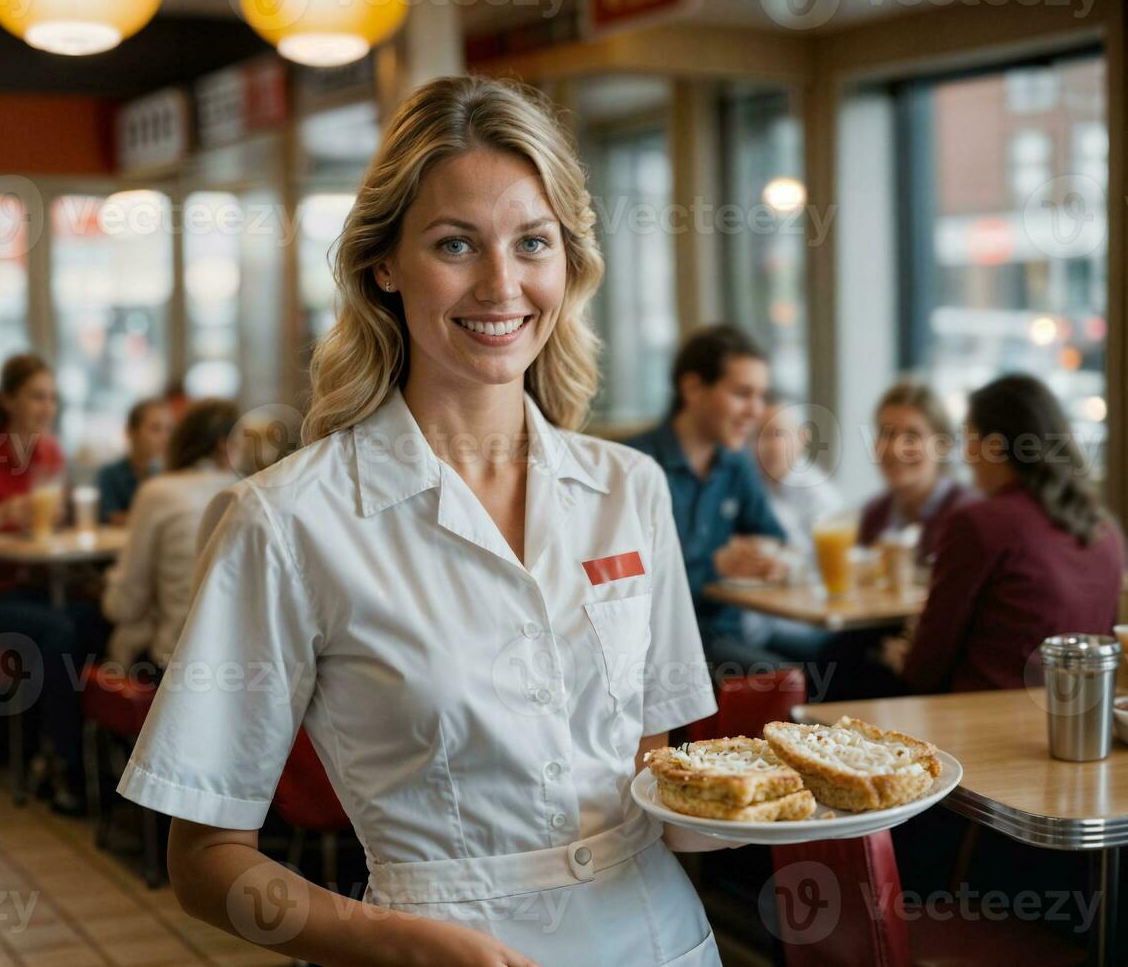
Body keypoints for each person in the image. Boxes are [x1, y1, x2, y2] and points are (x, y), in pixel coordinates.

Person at [118, 75, 727, 966]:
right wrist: (395, 944)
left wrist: (786, 815)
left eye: (532, 243)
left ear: (569, 263)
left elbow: (662, 785)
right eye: (455, 244)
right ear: (384, 263)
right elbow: (206, 864)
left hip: (664, 940)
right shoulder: (287, 521)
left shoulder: (630, 488)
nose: (501, 284)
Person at [0, 353, 107, 814]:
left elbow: (52, 526)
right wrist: (1, 514)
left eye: (52, 398)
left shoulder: (49, 452)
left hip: (29, 583)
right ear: (8, 399)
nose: (46, 406)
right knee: (57, 630)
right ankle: (62, 764)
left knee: (93, 617)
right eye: (36, 396)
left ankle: (80, 755)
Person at [882, 374, 1124, 692]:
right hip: (1072, 722)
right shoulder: (1106, 530)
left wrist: (899, 659)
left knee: (842, 656)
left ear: (994, 447)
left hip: (974, 721)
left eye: (970, 440)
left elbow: (926, 664)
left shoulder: (978, 523)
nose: (967, 457)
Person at [625, 326, 787, 666]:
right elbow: (625, 581)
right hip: (660, 644)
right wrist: (714, 567)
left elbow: (773, 537)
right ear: (693, 388)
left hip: (729, 633)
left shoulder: (736, 464)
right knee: (783, 680)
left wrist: (767, 558)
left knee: (843, 656)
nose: (757, 411)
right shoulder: (632, 467)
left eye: (761, 396)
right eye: (743, 393)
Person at [101, 399, 241, 671]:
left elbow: (124, 606)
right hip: (242, 663)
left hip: (175, 665)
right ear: (224, 445)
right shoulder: (249, 490)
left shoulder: (158, 491)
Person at [740, 395, 844, 661]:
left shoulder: (820, 497)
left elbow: (830, 571)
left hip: (802, 622)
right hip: (754, 619)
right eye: (758, 436)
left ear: (803, 437)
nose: (769, 446)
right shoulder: (747, 489)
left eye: (778, 434)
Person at [858, 380, 976, 566]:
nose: (896, 449)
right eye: (886, 434)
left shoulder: (967, 517)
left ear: (942, 446)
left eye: (912, 436)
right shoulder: (873, 515)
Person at [96, 398, 173, 526]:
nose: (164, 437)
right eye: (155, 429)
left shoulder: (169, 475)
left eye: (169, 429)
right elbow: (112, 518)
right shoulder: (110, 474)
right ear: (131, 432)